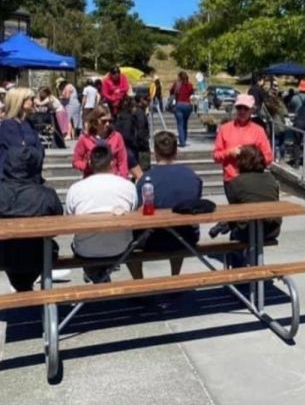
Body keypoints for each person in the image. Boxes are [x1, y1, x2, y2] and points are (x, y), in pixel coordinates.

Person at [0, 145, 63, 292]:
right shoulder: (46, 195)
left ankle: (22, 288)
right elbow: (56, 227)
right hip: (38, 253)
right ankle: (26, 288)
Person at [130, 131, 203, 278]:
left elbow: (139, 210)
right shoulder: (192, 176)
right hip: (187, 237)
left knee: (126, 242)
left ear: (154, 152)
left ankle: (139, 282)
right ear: (176, 150)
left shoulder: (146, 180)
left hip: (153, 239)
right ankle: (175, 275)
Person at [66, 146, 138, 282]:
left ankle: (95, 274)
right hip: (121, 248)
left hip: (86, 250)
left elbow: (70, 217)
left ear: (90, 164)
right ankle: (100, 275)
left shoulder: (75, 189)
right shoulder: (128, 186)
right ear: (112, 163)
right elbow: (133, 210)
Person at [224, 145, 282, 255]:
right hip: (272, 229)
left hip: (246, 231)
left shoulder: (236, 182)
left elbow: (233, 212)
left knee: (236, 235)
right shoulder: (271, 179)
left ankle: (240, 265)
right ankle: (256, 261)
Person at [213, 94, 274, 186]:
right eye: (239, 108)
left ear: (251, 110)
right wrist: (229, 152)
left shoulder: (259, 131)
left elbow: (268, 157)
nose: (242, 111)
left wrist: (251, 159)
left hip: (253, 179)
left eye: (246, 108)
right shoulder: (224, 129)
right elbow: (216, 156)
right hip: (231, 180)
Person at [0, 87, 43, 182]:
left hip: (31, 177)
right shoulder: (8, 125)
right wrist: (35, 152)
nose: (34, 102)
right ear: (20, 101)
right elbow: (21, 152)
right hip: (12, 180)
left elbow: (39, 149)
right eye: (30, 99)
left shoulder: (29, 123)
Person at [73, 106, 129, 178]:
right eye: (104, 121)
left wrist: (123, 178)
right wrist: (87, 166)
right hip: (92, 179)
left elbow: (122, 161)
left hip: (112, 179)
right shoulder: (84, 138)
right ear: (95, 121)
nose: (108, 124)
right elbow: (76, 161)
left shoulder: (117, 137)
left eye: (110, 121)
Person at [114, 96, 144, 179]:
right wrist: (135, 143)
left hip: (121, 146)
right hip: (129, 147)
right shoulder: (128, 118)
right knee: (138, 173)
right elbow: (127, 134)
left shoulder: (119, 117)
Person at [170, 71, 195, 147]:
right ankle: (184, 139)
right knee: (185, 123)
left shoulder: (177, 84)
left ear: (179, 77)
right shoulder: (190, 85)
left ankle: (182, 142)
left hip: (179, 105)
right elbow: (191, 93)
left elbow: (171, 92)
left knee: (180, 124)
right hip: (188, 105)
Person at [264, 90, 288, 160]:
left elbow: (263, 114)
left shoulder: (266, 105)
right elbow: (285, 113)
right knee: (281, 141)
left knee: (273, 142)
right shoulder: (280, 103)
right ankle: (282, 156)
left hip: (272, 126)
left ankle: (274, 156)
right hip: (281, 124)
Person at [134, 95, 152, 170]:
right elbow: (140, 129)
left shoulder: (140, 111)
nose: (148, 103)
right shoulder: (140, 113)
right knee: (144, 168)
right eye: (147, 101)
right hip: (142, 146)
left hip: (140, 144)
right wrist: (144, 143)